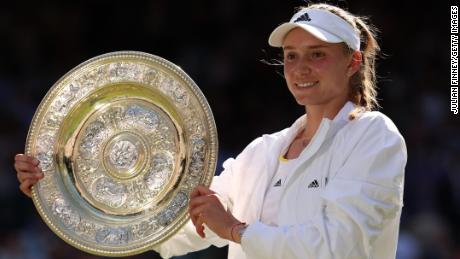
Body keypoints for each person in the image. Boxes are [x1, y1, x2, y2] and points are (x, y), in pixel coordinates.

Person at [14, 3, 407, 259]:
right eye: (291, 57)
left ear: (353, 61)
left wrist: (235, 230)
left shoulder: (373, 136)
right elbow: (176, 229)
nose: (300, 68)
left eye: (317, 55)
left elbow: (342, 247)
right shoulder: (262, 152)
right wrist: (62, 182)